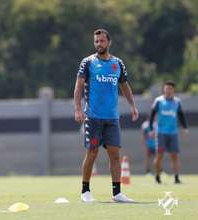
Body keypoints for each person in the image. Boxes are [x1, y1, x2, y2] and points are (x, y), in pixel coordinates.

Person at [74, 29, 139, 203]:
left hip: (112, 118)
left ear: (108, 42)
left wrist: (133, 105)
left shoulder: (118, 64)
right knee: (92, 152)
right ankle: (85, 191)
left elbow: (125, 86)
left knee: (115, 154)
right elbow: (79, 87)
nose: (99, 44)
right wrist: (78, 109)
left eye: (102, 41)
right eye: (96, 41)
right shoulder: (87, 62)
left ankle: (117, 193)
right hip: (93, 118)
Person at [149, 81, 188, 184]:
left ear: (173, 90)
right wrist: (151, 129)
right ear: (164, 89)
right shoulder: (158, 101)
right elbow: (152, 115)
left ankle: (176, 177)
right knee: (159, 156)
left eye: (170, 89)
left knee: (174, 156)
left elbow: (181, 115)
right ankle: (157, 176)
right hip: (161, 133)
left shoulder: (177, 102)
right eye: (166, 88)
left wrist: (185, 128)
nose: (168, 91)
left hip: (173, 133)